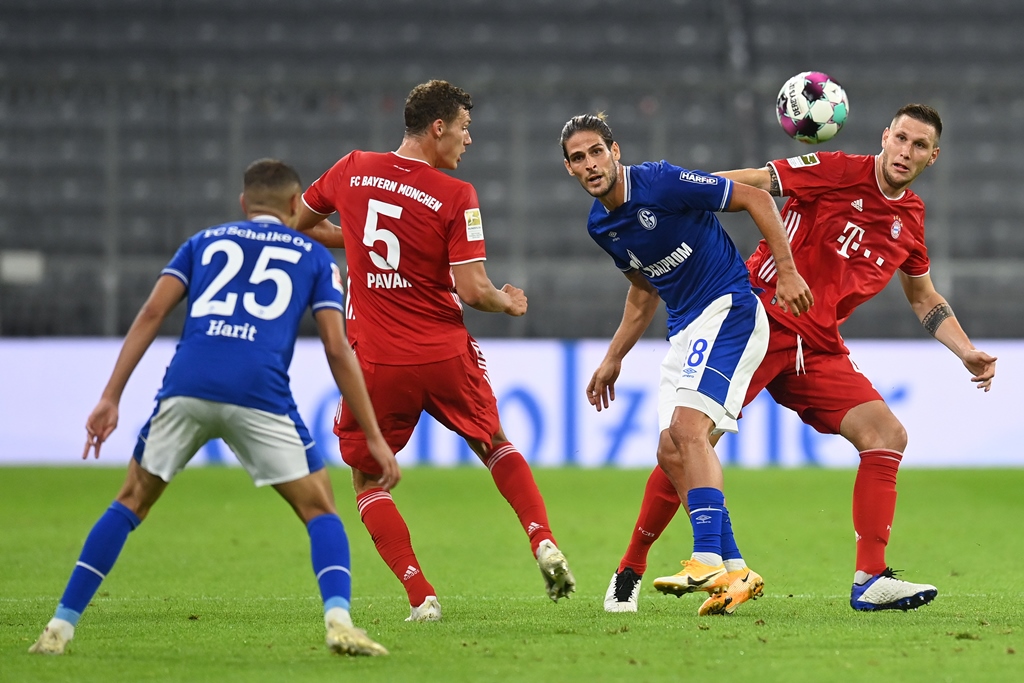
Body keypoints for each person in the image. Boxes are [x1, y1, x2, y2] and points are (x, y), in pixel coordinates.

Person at [608, 103, 998, 615]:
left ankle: (870, 578)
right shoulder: (837, 170)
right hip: (760, 321)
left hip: (816, 346)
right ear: (885, 137)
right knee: (684, 441)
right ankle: (630, 569)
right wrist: (680, 192)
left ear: (933, 156)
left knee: (887, 435)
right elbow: (751, 181)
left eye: (919, 145)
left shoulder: (910, 219)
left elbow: (923, 298)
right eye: (900, 138)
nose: (906, 152)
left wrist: (965, 349)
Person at [28, 159, 399, 657]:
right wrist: (374, 436)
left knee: (131, 499)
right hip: (259, 392)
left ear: (244, 205)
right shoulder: (314, 259)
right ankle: (339, 621)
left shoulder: (202, 243)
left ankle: (59, 627)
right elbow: (337, 350)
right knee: (320, 509)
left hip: (188, 384)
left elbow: (152, 313)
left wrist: (110, 395)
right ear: (296, 205)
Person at [293, 79, 575, 622]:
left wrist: (354, 234)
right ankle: (541, 538)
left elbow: (303, 222)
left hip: (377, 362)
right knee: (493, 443)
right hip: (444, 354)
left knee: (369, 481)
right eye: (465, 129)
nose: (469, 141)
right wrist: (507, 302)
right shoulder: (456, 195)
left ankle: (422, 597)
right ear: (438, 127)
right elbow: (472, 291)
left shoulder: (351, 167)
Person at [559, 113, 813, 615]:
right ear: (569, 169)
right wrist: (613, 358)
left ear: (615, 150)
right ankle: (737, 569)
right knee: (671, 451)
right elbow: (642, 292)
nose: (590, 164)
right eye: (577, 158)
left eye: (595, 151)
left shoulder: (660, 180)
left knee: (688, 429)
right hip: (684, 330)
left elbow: (758, 198)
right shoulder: (601, 226)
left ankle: (706, 557)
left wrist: (786, 272)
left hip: (729, 308)